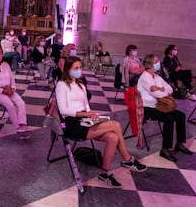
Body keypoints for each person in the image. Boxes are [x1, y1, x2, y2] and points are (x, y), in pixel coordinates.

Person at [56, 56, 147, 188]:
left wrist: (92, 115)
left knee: (113, 137)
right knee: (116, 125)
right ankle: (127, 159)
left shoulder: (81, 84)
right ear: (68, 70)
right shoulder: (61, 85)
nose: (79, 70)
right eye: (76, 68)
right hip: (72, 124)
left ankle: (105, 174)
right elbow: (64, 110)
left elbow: (86, 106)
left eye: (80, 67)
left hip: (85, 119)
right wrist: (85, 114)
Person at [137, 54, 192, 162]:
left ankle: (179, 144)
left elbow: (169, 88)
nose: (159, 63)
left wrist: (162, 89)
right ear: (150, 64)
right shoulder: (145, 77)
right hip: (147, 108)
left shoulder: (157, 77)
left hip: (160, 106)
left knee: (181, 116)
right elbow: (158, 94)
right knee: (169, 119)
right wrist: (162, 91)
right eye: (156, 61)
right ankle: (165, 149)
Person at [0, 45, 31, 137]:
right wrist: (2, 91)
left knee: (21, 103)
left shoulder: (6, 65)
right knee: (10, 105)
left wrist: (12, 88)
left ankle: (22, 124)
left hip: (9, 89)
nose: (0, 54)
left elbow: (12, 79)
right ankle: (18, 128)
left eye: (1, 52)